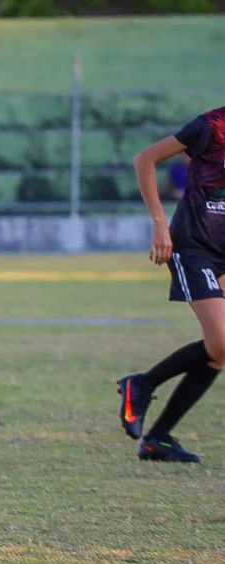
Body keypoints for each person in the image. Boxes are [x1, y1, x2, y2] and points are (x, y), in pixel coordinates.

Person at [115, 106, 225, 463]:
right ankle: (142, 385)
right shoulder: (213, 126)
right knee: (222, 341)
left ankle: (157, 438)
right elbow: (145, 159)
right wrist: (159, 222)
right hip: (193, 245)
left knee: (220, 351)